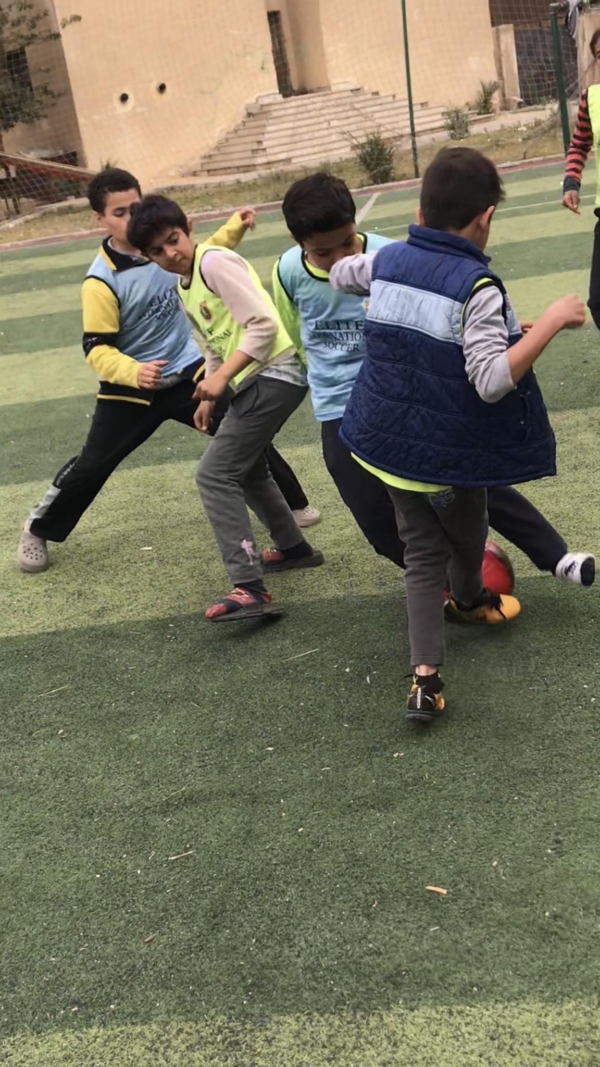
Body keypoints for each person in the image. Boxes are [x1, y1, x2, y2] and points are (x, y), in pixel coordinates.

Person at [333, 147, 586, 722]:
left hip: (382, 443)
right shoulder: (478, 287)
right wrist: (548, 322)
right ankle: (469, 598)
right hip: (445, 454)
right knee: (467, 535)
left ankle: (425, 679)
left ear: (420, 213)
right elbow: (492, 380)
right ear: (486, 217)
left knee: (422, 555)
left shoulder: (387, 259)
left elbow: (344, 272)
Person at [274, 171, 595, 587]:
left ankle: (555, 555)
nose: (339, 258)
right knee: (370, 509)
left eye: (347, 244)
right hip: (340, 403)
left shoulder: (392, 256)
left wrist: (509, 331)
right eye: (323, 252)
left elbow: (450, 308)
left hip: (405, 390)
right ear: (299, 244)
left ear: (357, 227)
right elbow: (293, 330)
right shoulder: (286, 270)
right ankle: (445, 580)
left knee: (467, 477)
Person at [17, 169, 318, 575]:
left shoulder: (167, 248)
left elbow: (207, 253)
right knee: (93, 464)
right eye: (119, 212)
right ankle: (38, 527)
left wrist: (235, 226)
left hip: (191, 371)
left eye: (135, 207)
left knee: (242, 434)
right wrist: (133, 370)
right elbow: (96, 348)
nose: (130, 218)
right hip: (132, 387)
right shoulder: (101, 280)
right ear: (100, 220)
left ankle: (293, 511)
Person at [127, 194, 323, 622]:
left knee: (215, 475)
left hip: (277, 374)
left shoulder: (214, 262)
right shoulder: (184, 285)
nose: (170, 254)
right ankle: (294, 548)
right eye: (156, 251)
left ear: (189, 228)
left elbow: (263, 325)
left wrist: (220, 379)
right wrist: (211, 388)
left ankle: (250, 587)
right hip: (253, 379)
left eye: (173, 239)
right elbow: (215, 343)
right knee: (248, 468)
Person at [563, 28, 600, 330]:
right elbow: (579, 144)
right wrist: (571, 183)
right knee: (598, 301)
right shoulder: (592, 99)